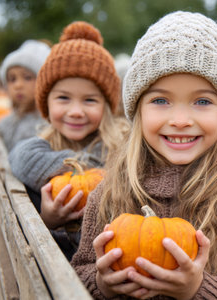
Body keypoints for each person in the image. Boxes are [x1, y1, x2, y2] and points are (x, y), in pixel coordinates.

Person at [71, 11, 217, 299]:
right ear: (138, 112)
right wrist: (101, 284)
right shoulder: (108, 195)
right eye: (161, 100)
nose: (181, 119)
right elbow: (79, 271)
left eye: (202, 101)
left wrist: (198, 289)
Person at [9, 21, 129, 260]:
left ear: (106, 106)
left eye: (89, 100)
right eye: (64, 98)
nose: (76, 111)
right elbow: (20, 157)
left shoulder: (122, 144)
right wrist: (48, 220)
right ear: (46, 102)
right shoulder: (42, 144)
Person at [0, 40, 51, 151]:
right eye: (12, 79)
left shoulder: (50, 125)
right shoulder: (3, 126)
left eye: (27, 77)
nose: (18, 85)